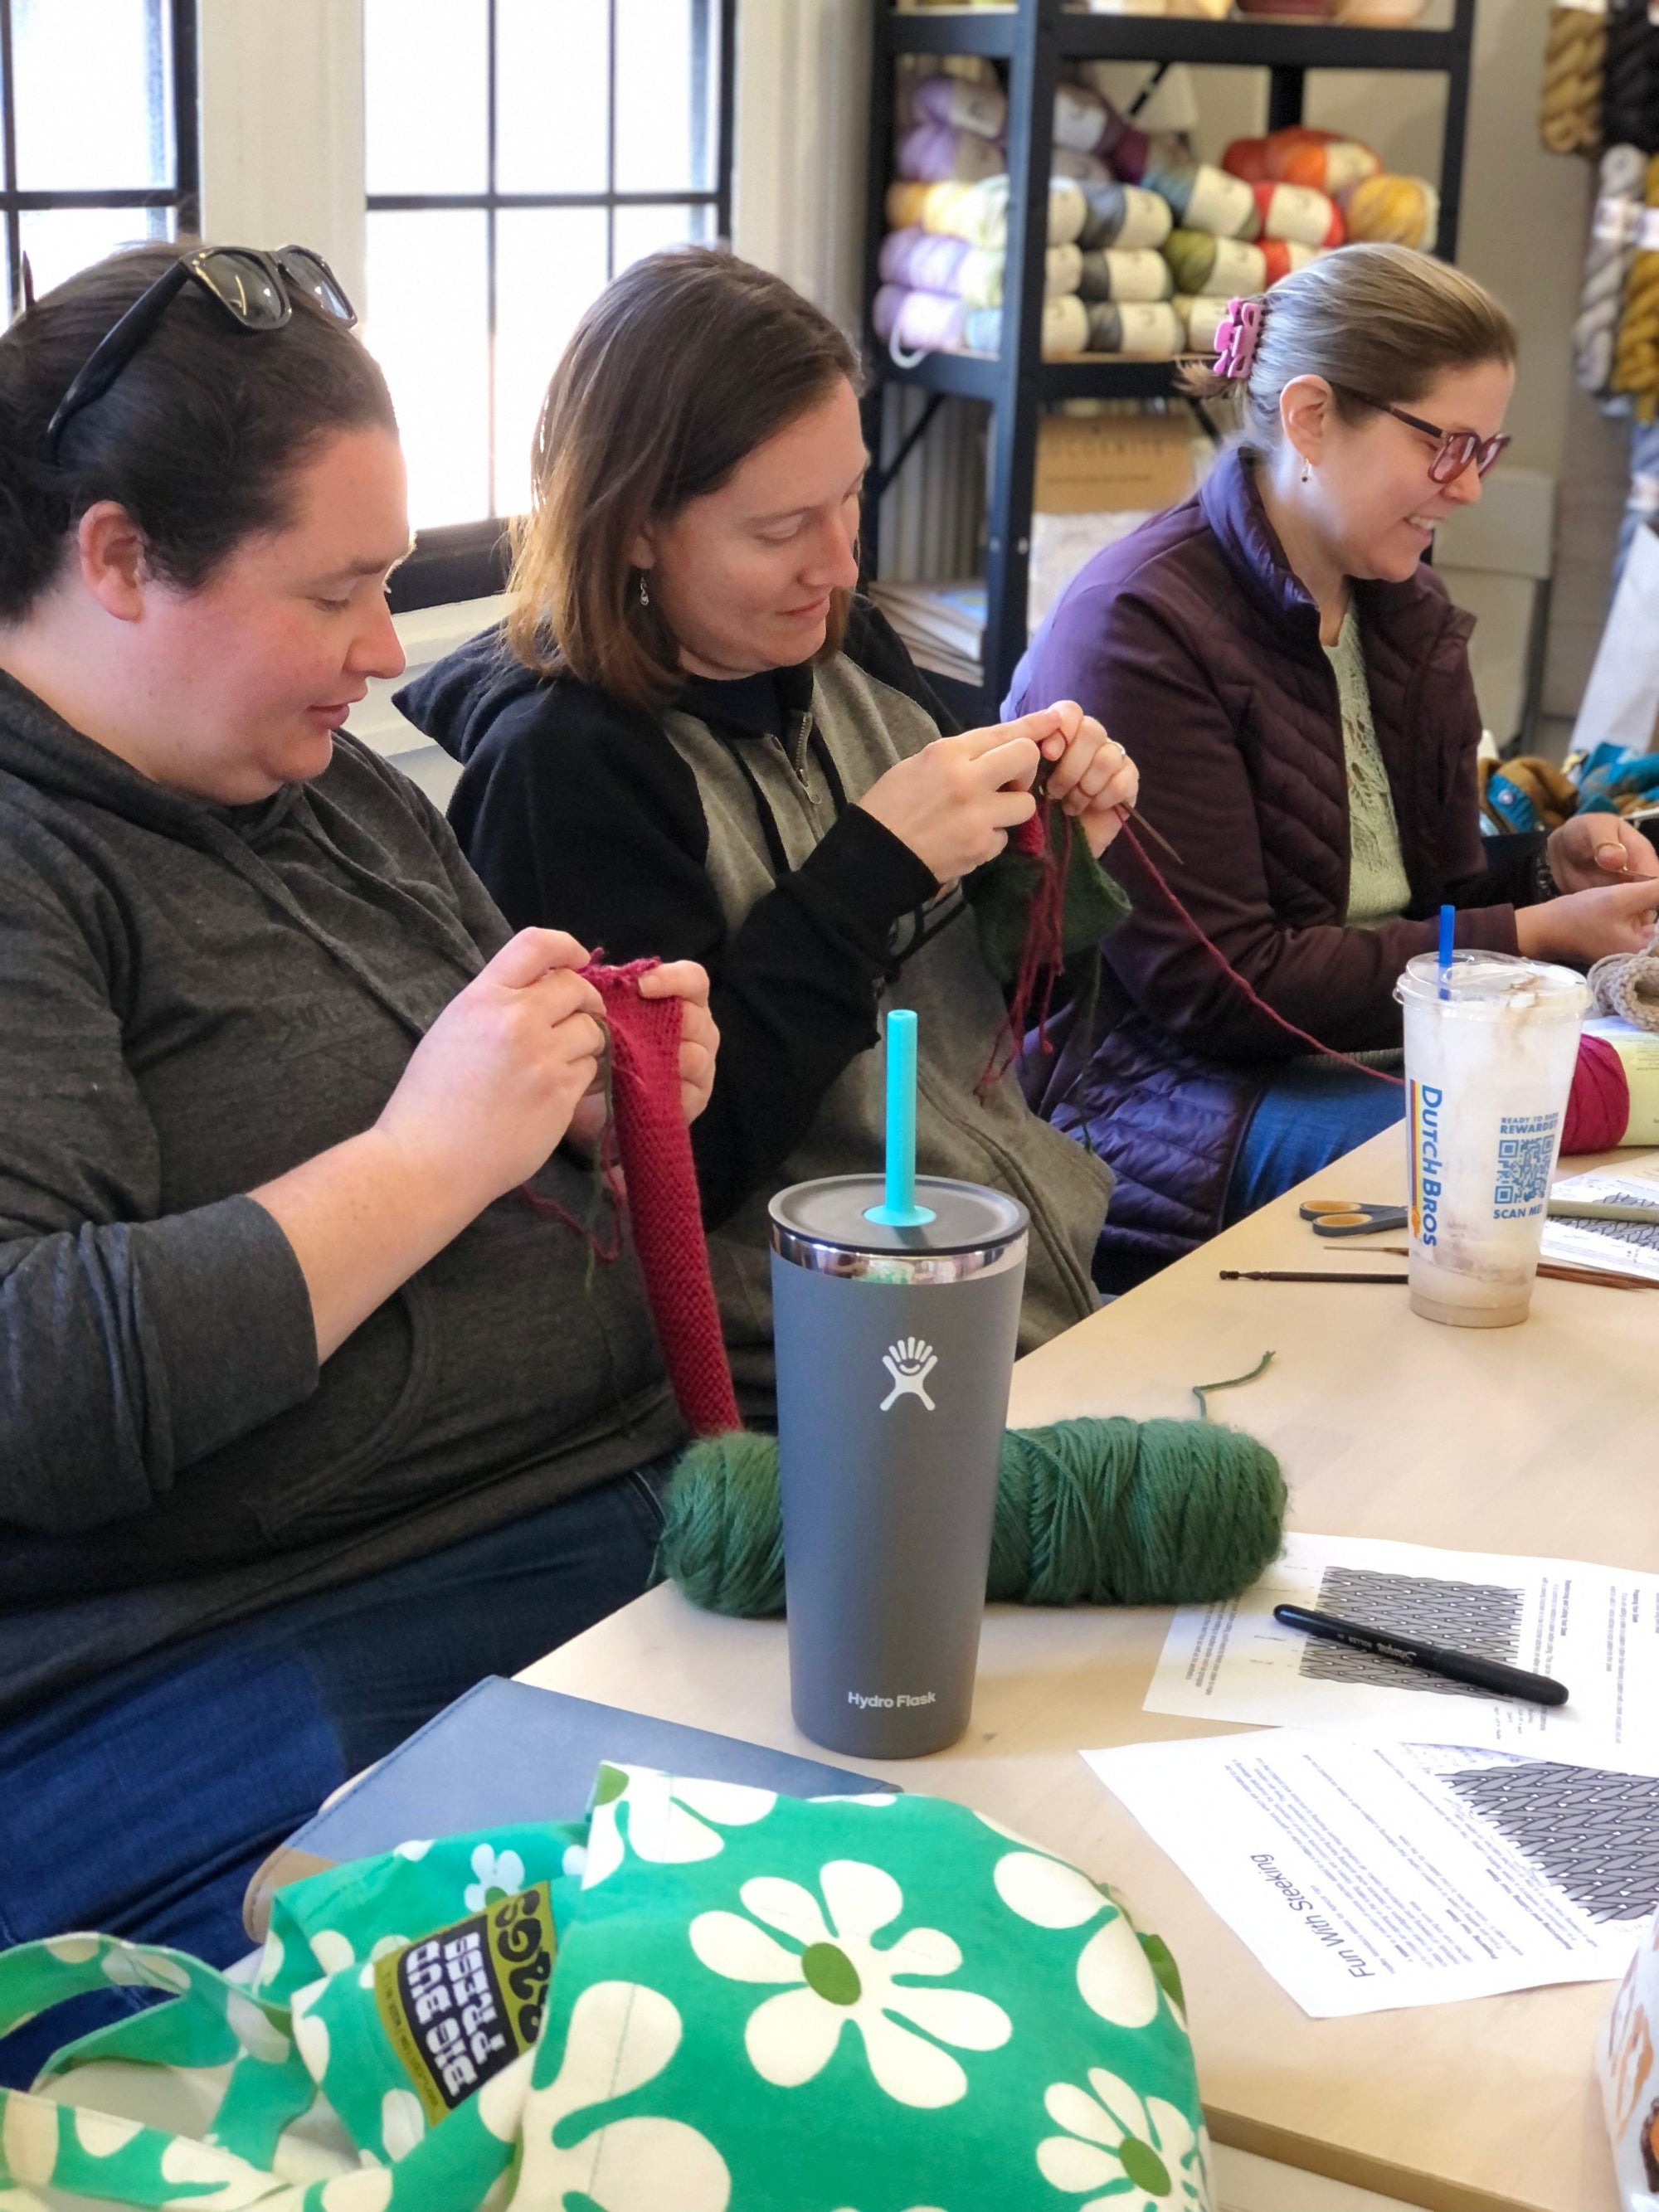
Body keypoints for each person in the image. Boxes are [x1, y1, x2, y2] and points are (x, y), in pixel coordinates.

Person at [0, 241, 717, 2077]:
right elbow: (36, 1379)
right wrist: (431, 1154)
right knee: (686, 2037)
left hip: (593, 1544)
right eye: (340, 591)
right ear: (113, 559)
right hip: (242, 1664)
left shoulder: (314, 786)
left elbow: (485, 1118)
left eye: (389, 586)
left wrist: (587, 1097)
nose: (389, 652)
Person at [399, 247, 1143, 1410]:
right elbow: (674, 1174)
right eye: (783, 525)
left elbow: (1005, 1038)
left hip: (1020, 1299)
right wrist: (866, 872)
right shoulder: (565, 771)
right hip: (818, 1379)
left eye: (851, 496)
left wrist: (1059, 867)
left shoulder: (857, 662)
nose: (843, 559)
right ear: (637, 525)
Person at [1005, 245, 1659, 1289]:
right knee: (1506, 1165)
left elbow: (1427, 898)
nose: (1470, 489)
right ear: (1309, 417)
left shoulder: (1401, 608)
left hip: (1354, 1058)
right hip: (1171, 1103)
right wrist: (1532, 935)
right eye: (1444, 446)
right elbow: (1224, 988)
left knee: (1562, 1151)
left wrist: (1544, 871)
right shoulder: (1139, 626)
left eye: (1485, 449)